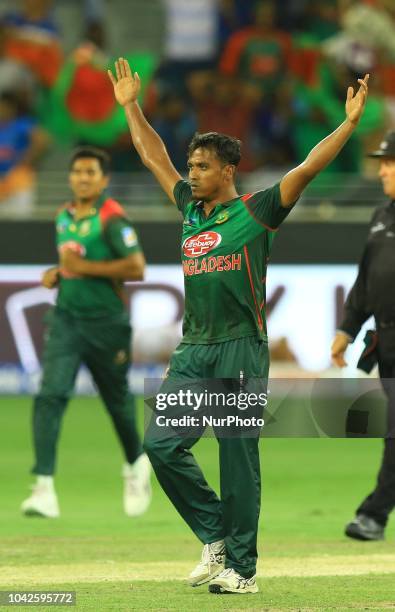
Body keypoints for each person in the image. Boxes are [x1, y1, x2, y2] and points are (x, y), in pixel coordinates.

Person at [108, 57, 368, 595]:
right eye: (192, 165)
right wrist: (132, 105)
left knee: (236, 456)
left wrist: (346, 125)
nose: (191, 173)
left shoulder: (259, 211)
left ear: (227, 171)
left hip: (240, 350)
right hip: (193, 349)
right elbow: (151, 154)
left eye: (201, 166)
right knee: (160, 445)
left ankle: (242, 571)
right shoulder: (190, 211)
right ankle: (215, 535)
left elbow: (308, 168)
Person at [21, 146, 151, 519]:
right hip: (66, 319)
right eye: (77, 172)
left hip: (106, 323)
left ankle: (135, 464)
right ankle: (43, 488)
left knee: (116, 401)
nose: (82, 178)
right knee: (51, 394)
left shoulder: (112, 219)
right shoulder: (63, 216)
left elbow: (136, 267)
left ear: (104, 179)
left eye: (90, 173)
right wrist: (60, 273)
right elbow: (73, 264)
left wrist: (79, 266)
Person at [331, 130, 395, 542]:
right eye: (383, 162)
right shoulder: (381, 216)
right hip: (387, 343)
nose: (382, 170)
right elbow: (366, 280)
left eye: (390, 163)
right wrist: (347, 329)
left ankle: (374, 513)